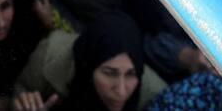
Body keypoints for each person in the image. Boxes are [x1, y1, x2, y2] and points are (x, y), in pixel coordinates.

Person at [13, 12, 163, 111]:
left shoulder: (156, 94)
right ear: (89, 65)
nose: (121, 91)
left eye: (131, 74)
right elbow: (22, 88)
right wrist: (23, 104)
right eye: (110, 73)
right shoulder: (51, 53)